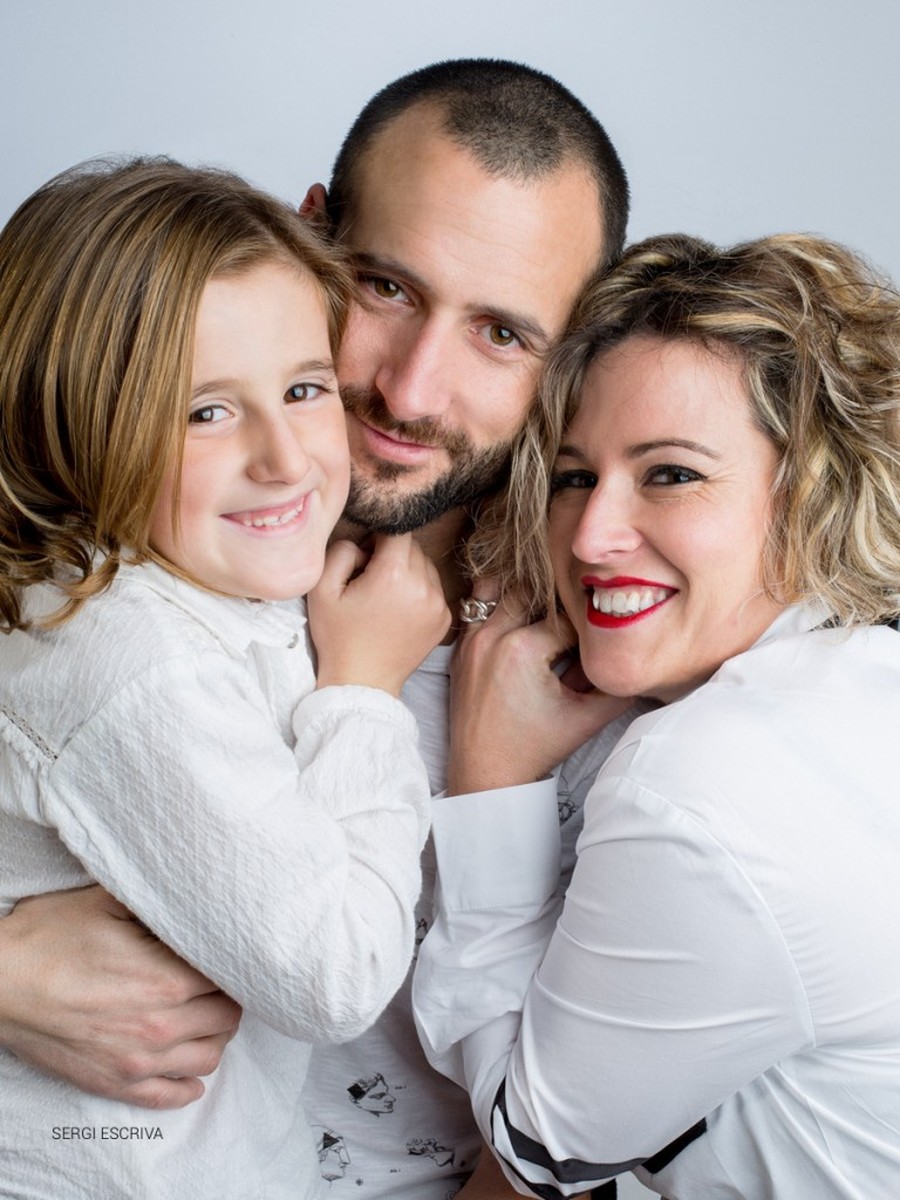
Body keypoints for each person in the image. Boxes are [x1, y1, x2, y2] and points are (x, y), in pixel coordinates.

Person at [0, 60, 630, 1199]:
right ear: (311, 240)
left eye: (501, 333)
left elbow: (585, 1118)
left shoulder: (608, 642)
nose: (412, 391)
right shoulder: (90, 558)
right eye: (385, 288)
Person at [413, 232, 900, 1198]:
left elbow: (538, 1153)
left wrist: (491, 780)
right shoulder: (862, 680)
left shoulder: (702, 779)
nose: (592, 536)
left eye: (671, 474)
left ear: (815, 494)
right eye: (574, 477)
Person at [0, 156, 450, 1199]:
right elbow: (335, 973)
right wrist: (363, 691)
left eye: (304, 389)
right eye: (205, 412)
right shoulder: (130, 659)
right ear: (70, 419)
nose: (285, 457)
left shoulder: (196, 577)